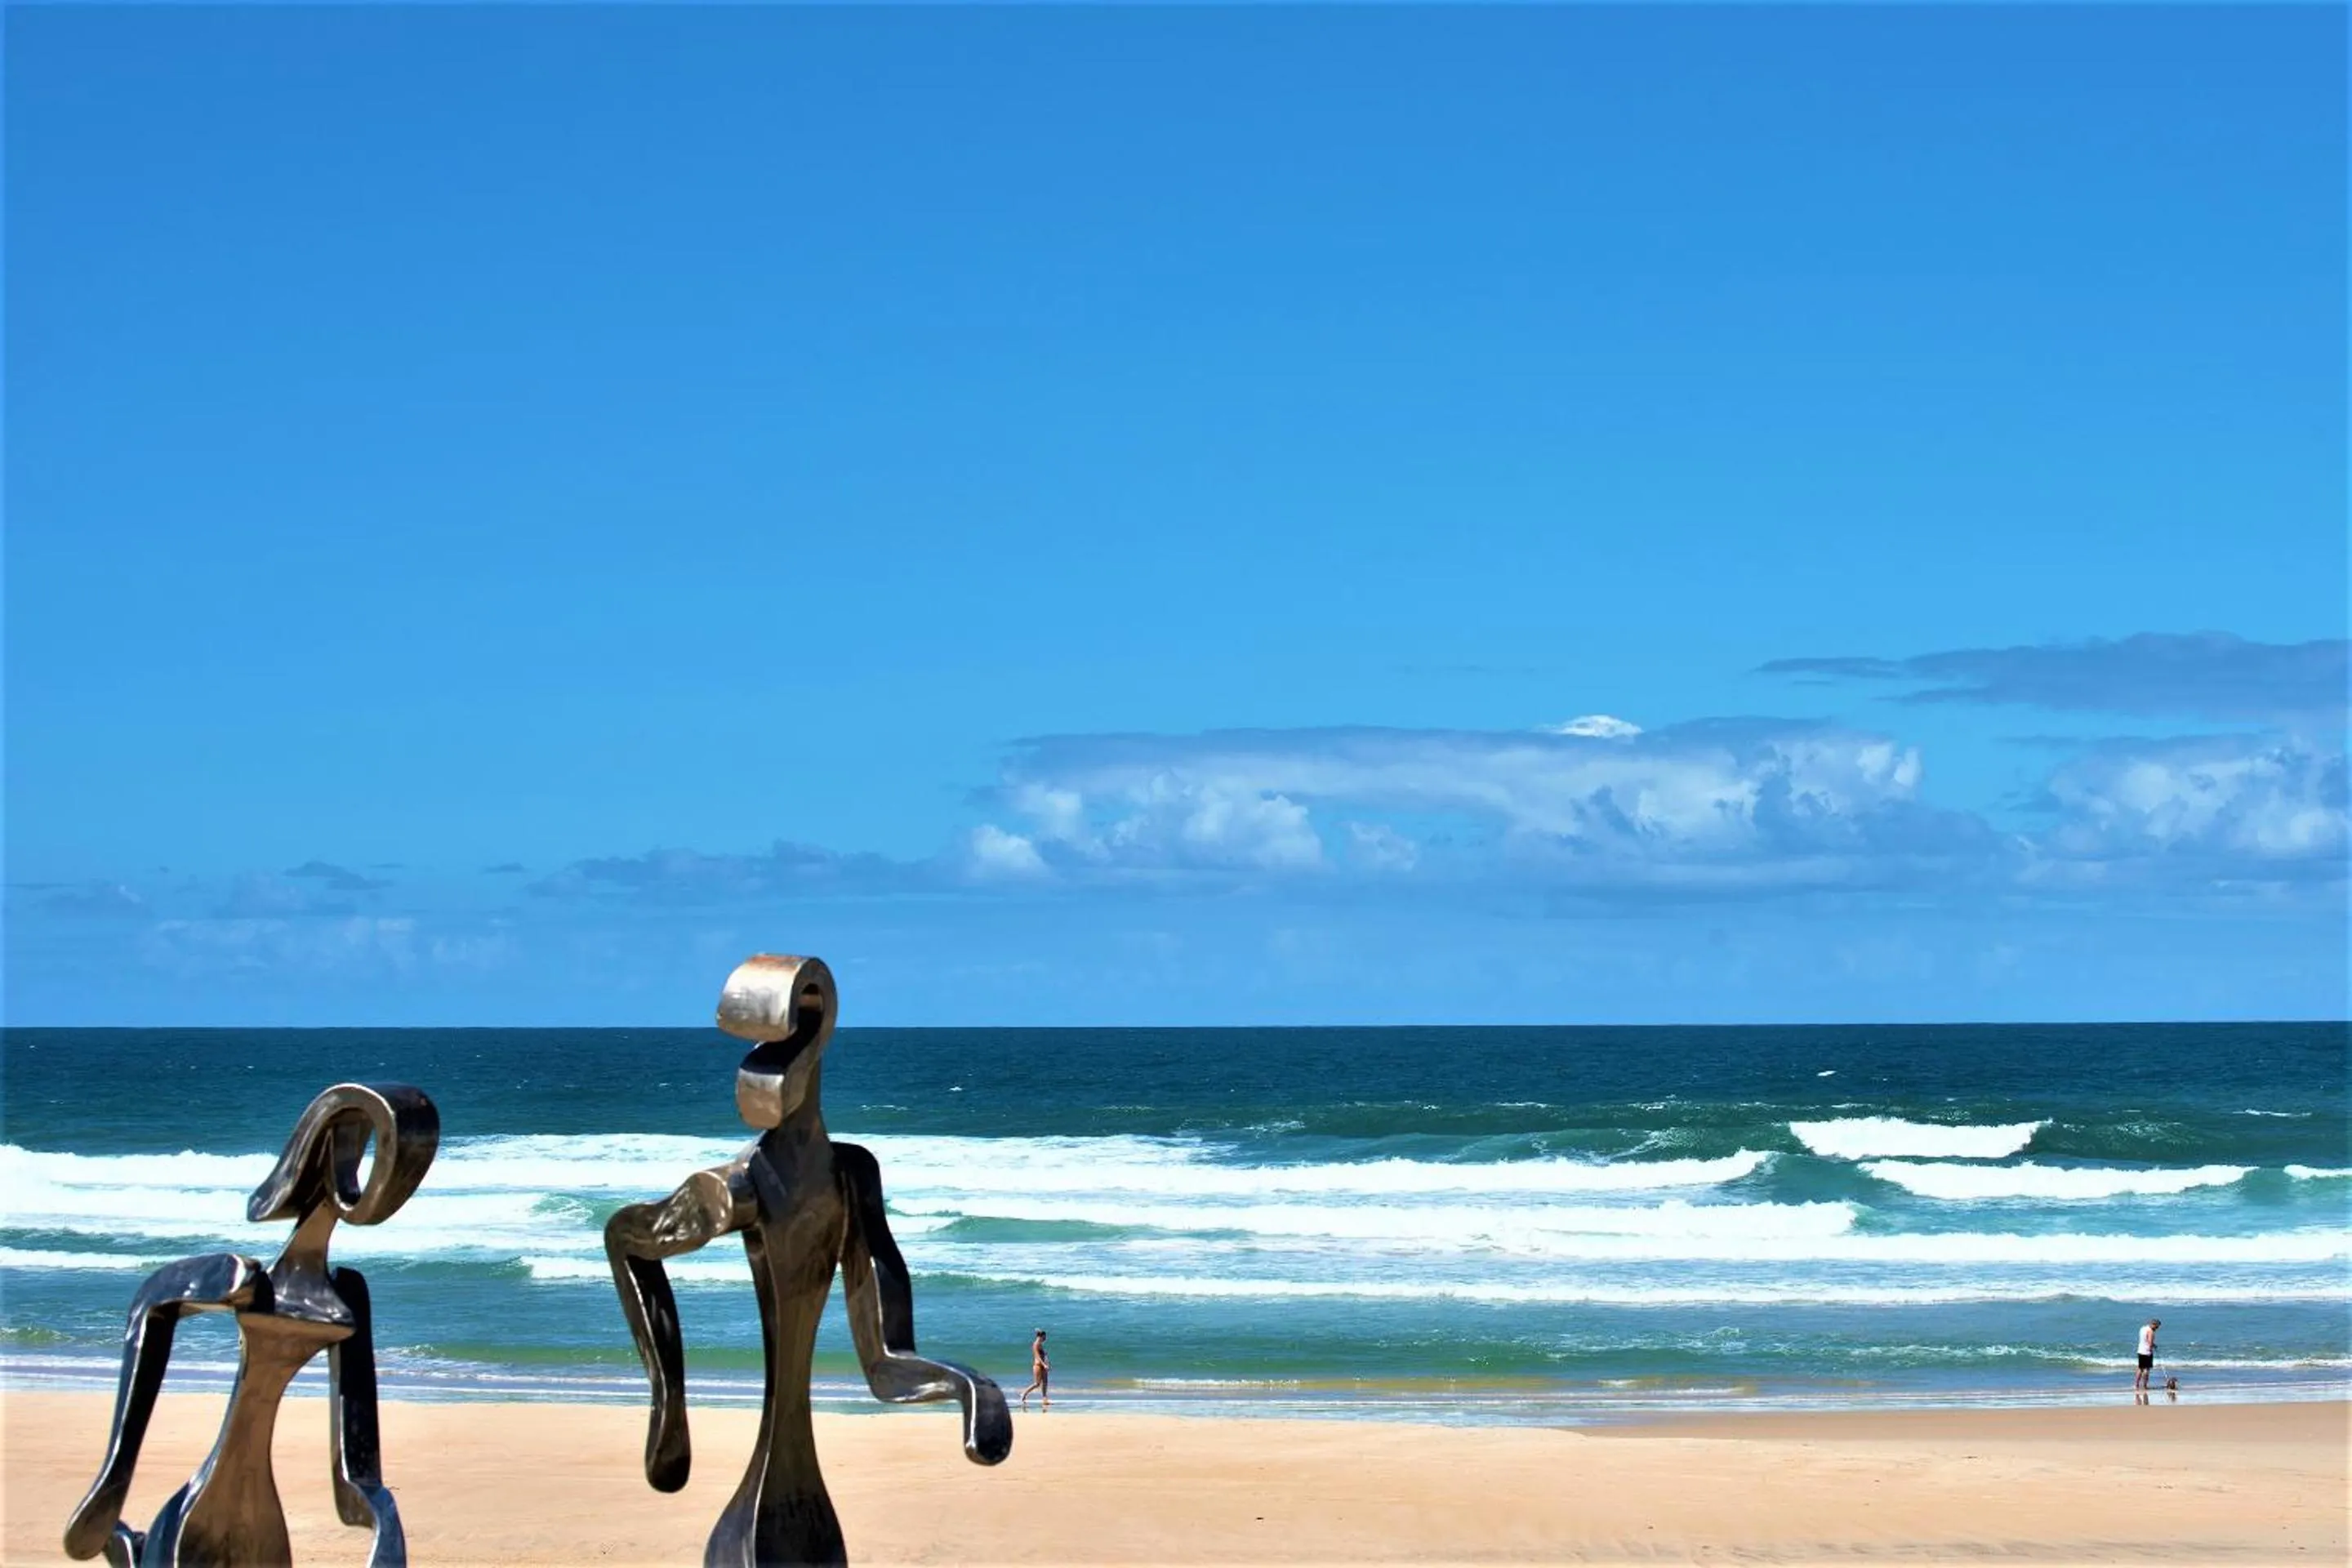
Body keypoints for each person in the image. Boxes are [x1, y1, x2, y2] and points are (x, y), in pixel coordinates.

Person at [1019, 1329, 1049, 1411]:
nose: (1045, 1338)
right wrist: (1044, 1365)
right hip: (1038, 1366)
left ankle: (1044, 1399)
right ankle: (1024, 1394)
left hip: (1043, 1366)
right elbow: (1037, 1357)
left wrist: (1047, 1363)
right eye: (1044, 1337)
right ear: (1041, 1336)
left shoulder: (1040, 1344)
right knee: (1037, 1384)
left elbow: (1044, 1355)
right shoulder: (1035, 1344)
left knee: (1045, 1382)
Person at [2134, 1317, 2161, 1392]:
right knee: (2146, 1369)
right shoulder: (2150, 1331)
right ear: (2153, 1324)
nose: (2157, 1329)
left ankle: (2136, 1385)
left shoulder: (2143, 1328)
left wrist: (2153, 1345)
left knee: (2140, 1368)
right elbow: (2150, 1343)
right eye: (2157, 1327)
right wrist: (2152, 1347)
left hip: (2140, 1350)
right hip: (2147, 1352)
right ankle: (2145, 1386)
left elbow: (2145, 1340)